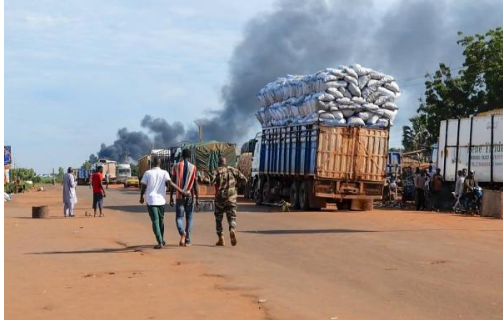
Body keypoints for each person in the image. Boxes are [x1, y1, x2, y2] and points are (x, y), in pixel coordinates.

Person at [140, 157, 189, 249]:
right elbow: (171, 184)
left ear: (152, 163)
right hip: (161, 201)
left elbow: (143, 186)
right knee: (161, 221)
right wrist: (182, 191)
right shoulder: (164, 173)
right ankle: (161, 240)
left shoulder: (148, 173)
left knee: (155, 221)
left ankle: (160, 241)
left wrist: (141, 197)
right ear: (161, 164)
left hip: (151, 201)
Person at [211, 156, 247, 246]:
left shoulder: (217, 171)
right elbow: (244, 180)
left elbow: (210, 181)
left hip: (220, 199)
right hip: (232, 197)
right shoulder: (233, 170)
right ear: (226, 162)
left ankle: (221, 238)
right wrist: (236, 186)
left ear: (219, 163)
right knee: (232, 216)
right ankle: (232, 229)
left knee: (218, 218)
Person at [170, 148, 199, 247]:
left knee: (179, 217)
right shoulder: (194, 167)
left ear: (182, 155)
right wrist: (197, 198)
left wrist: (170, 197)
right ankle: (188, 240)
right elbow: (195, 184)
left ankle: (182, 232)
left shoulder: (175, 166)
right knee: (189, 217)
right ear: (190, 156)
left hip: (179, 196)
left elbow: (172, 182)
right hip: (190, 196)